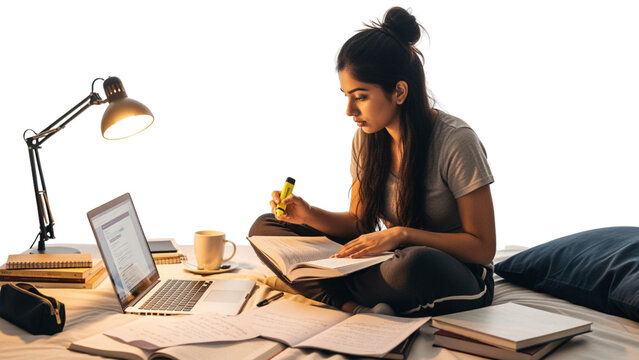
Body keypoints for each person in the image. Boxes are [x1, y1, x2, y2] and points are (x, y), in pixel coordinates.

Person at [249, 6, 495, 317]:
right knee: (264, 227)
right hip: (389, 259)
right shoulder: (366, 139)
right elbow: (358, 222)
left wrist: (402, 234)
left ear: (400, 91)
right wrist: (307, 214)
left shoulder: (456, 140)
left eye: (361, 96)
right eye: (346, 95)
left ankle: (325, 287)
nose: (349, 110)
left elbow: (483, 247)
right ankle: (352, 304)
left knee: (413, 264)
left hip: (453, 272)